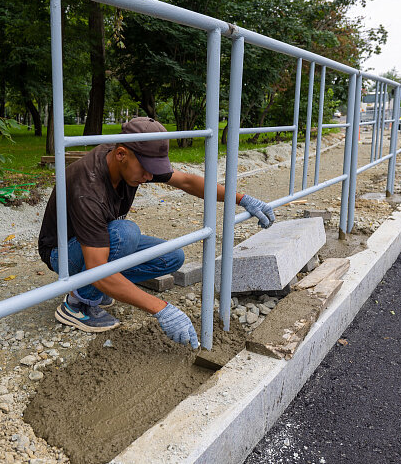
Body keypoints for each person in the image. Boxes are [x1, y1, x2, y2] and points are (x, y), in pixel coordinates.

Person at [37, 117, 275, 349]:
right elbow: (99, 269)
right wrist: (161, 308)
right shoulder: (88, 188)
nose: (151, 177)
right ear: (121, 155)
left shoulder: (130, 158)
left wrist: (242, 199)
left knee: (171, 257)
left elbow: (188, 182)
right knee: (125, 233)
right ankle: (78, 303)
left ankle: (103, 288)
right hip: (63, 252)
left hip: (95, 241)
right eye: (147, 170)